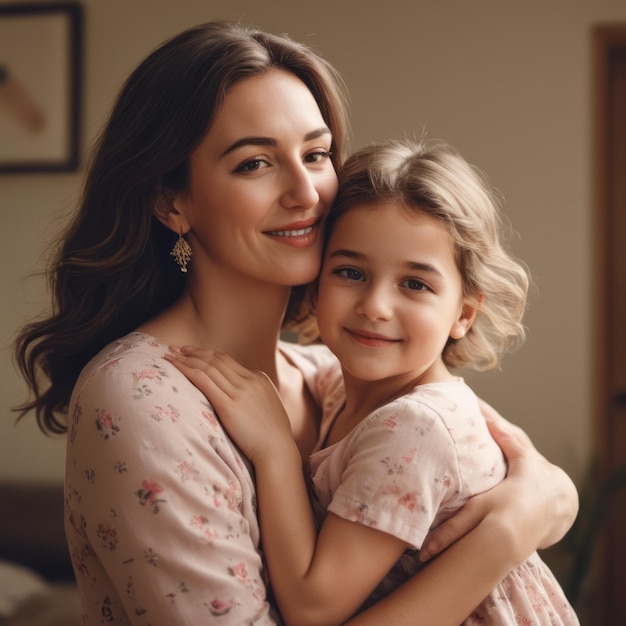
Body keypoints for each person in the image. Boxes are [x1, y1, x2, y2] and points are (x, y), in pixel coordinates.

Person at [12, 20, 577, 626]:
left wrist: (548, 499)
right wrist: (504, 538)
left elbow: (515, 471)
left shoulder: (333, 375)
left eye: (315, 154)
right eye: (255, 163)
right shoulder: (142, 396)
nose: (306, 191)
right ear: (173, 202)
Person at [168, 138, 580, 625]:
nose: (375, 306)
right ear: (317, 281)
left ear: (464, 314)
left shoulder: (415, 425)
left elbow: (311, 607)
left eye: (415, 284)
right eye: (350, 271)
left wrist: (275, 447)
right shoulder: (340, 387)